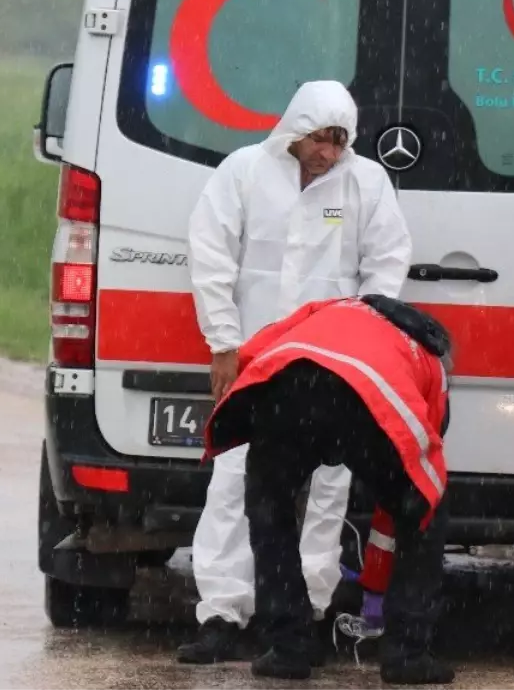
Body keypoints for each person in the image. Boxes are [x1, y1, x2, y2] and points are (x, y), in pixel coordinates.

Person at [179, 79, 414, 664]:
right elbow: (210, 255)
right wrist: (224, 344)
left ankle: (301, 616)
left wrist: (363, 346)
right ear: (294, 129)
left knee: (327, 489)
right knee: (233, 480)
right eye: (319, 138)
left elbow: (385, 264)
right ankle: (221, 615)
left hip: (330, 369)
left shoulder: (365, 184)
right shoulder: (243, 173)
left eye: (339, 141)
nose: (328, 152)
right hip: (257, 363)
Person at [204, 294, 455, 684]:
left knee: (270, 508)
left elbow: (261, 343)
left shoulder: (331, 307)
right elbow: (427, 454)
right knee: (425, 511)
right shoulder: (430, 358)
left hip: (289, 386)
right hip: (367, 398)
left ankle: (289, 647)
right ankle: (407, 654)